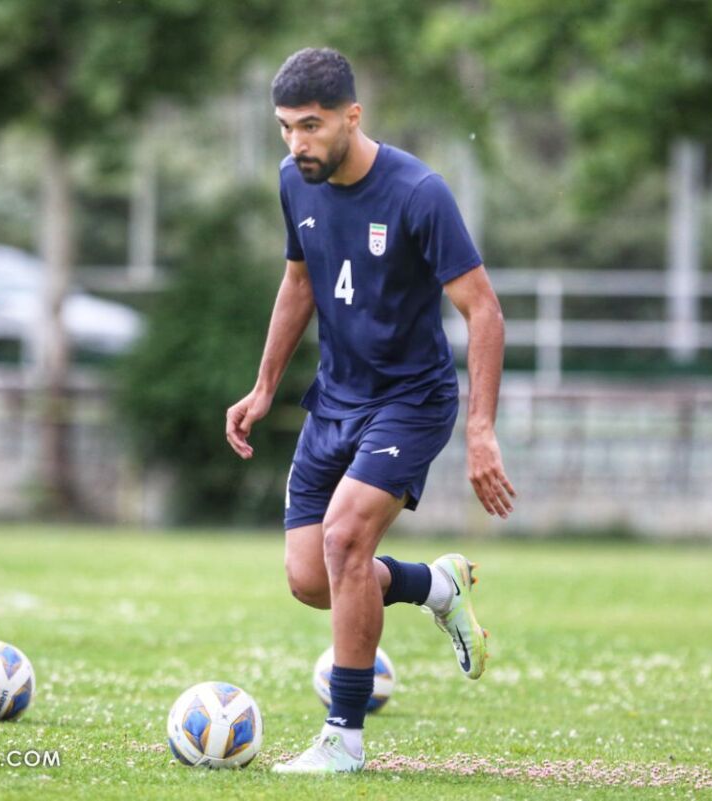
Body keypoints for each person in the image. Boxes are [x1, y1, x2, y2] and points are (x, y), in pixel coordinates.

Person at [225, 47, 516, 774]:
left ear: (353, 116)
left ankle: (342, 741)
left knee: (346, 540)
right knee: (310, 578)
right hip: (336, 399)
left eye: (313, 126)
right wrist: (264, 387)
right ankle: (434, 585)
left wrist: (481, 429)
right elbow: (299, 284)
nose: (298, 143)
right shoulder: (296, 181)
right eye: (286, 127)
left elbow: (483, 311)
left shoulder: (419, 193)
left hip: (411, 401)